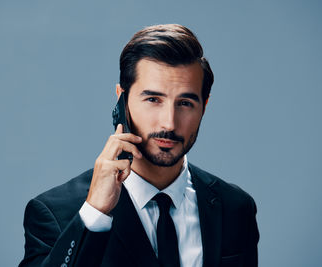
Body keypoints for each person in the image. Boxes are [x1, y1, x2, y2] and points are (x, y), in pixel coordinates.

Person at [19, 24, 259, 267]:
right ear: (121, 100)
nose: (169, 122)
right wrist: (95, 213)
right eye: (153, 99)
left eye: (185, 103)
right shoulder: (56, 214)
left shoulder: (235, 208)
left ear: (204, 106)